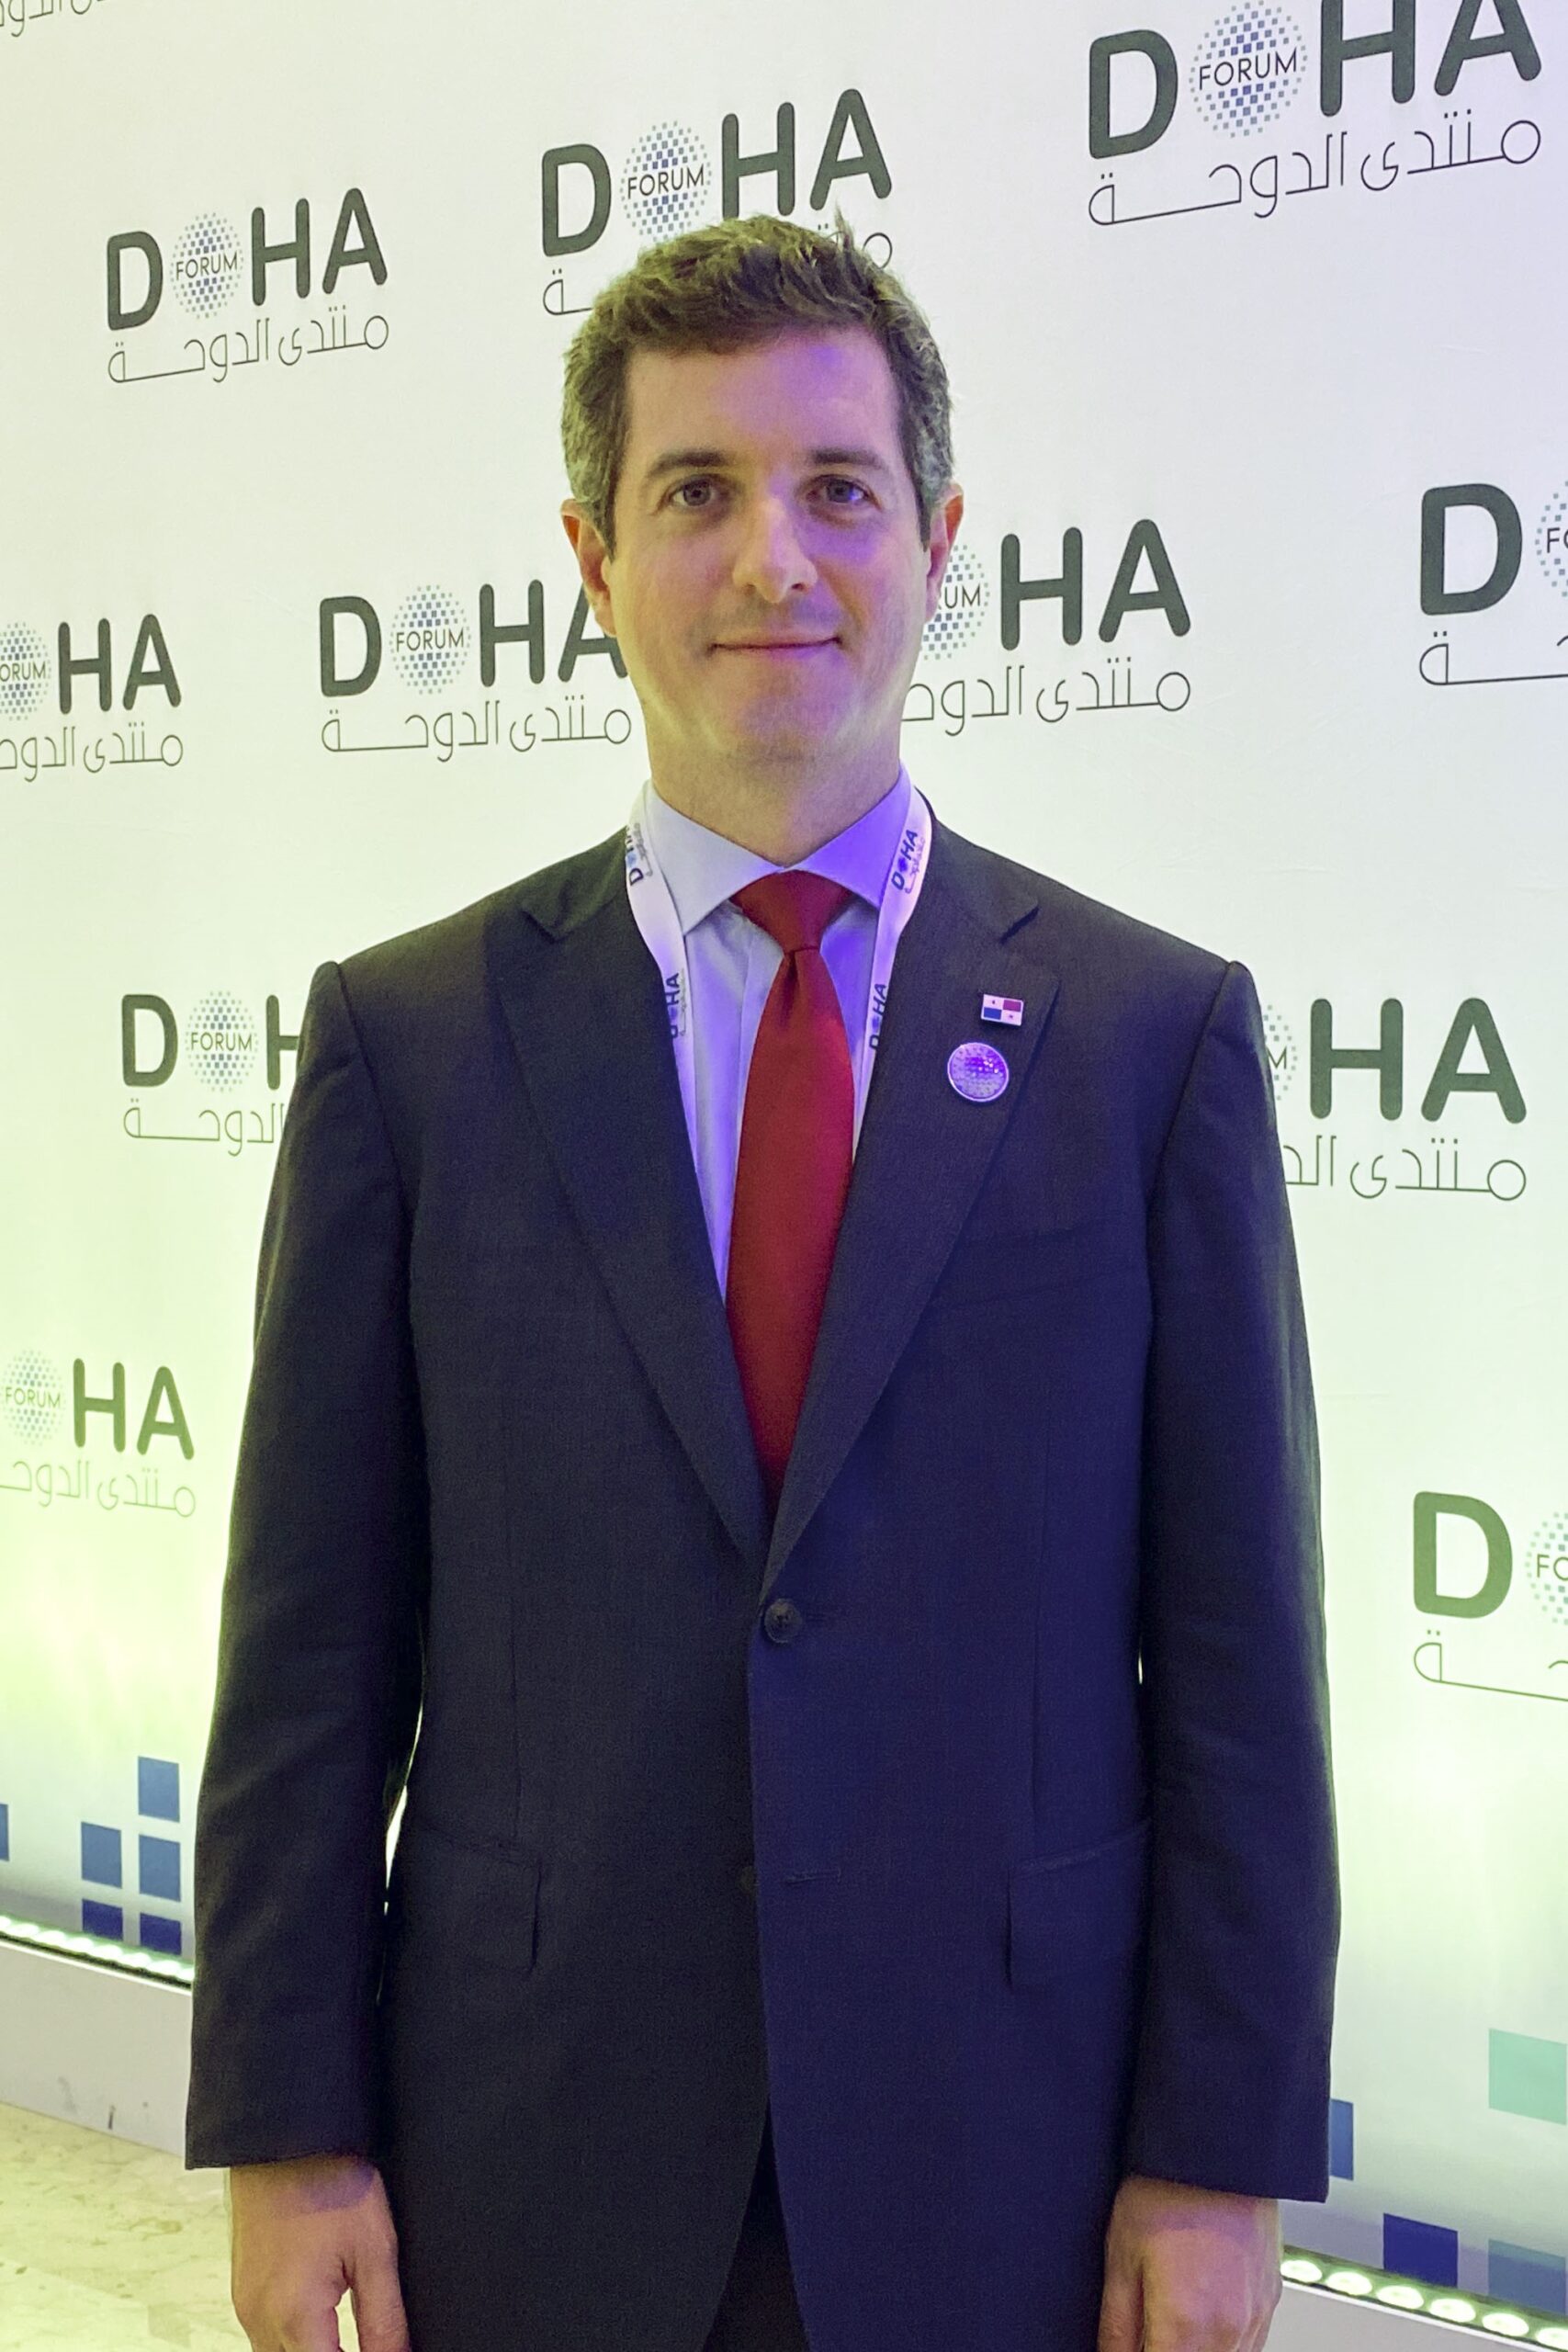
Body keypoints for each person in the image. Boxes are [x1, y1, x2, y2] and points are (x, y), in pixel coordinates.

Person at [186, 212, 1339, 2352]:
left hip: (1010, 2145)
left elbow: (1237, 1666)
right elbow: (311, 1649)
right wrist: (290, 2127)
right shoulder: (407, 1044)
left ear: (938, 539)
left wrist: (1216, 2151)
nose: (769, 560)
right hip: (527, 2143)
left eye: (836, 489)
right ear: (591, 556)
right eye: (695, 491)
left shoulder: (1147, 1039)